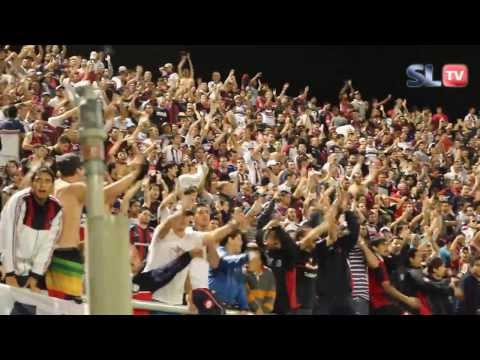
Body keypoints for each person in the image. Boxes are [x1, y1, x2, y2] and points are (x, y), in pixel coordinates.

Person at [45, 153, 147, 301]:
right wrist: (136, 174)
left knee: (52, 303)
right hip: (65, 255)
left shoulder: (54, 186)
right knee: (68, 306)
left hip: (49, 253)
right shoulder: (75, 188)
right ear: (79, 170)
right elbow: (104, 195)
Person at [0, 167, 62, 292]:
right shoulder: (20, 200)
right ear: (32, 182)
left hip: (28, 274)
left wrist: (35, 275)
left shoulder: (56, 207)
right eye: (38, 180)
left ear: (52, 185)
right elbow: (8, 236)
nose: (42, 185)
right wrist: (9, 273)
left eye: (47, 181)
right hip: (6, 268)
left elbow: (48, 245)